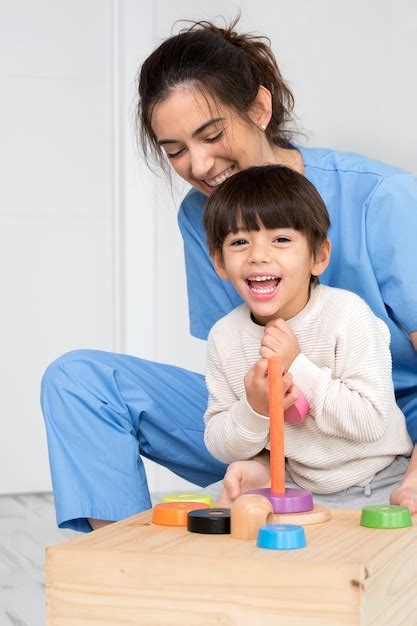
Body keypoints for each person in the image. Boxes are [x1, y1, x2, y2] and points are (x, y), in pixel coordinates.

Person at [41, 17, 417, 532]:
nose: (198, 164)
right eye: (174, 150)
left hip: (387, 430)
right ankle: (127, 576)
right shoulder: (201, 217)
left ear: (260, 109)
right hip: (273, 418)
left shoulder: (383, 198)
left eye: (211, 134)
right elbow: (240, 356)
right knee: (78, 381)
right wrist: (263, 460)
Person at [202, 163, 413, 508]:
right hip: (295, 484)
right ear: (220, 263)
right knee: (211, 511)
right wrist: (255, 409)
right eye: (240, 242)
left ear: (319, 256)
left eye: (281, 239)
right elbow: (219, 443)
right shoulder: (225, 336)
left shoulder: (347, 314)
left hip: (377, 482)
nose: (258, 256)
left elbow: (371, 422)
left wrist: (297, 365)